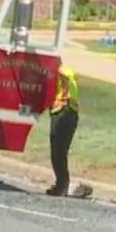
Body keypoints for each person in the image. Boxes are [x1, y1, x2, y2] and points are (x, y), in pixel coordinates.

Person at [47, 64, 91, 198]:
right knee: (62, 151)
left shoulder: (53, 72)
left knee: (57, 152)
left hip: (61, 111)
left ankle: (62, 185)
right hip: (72, 113)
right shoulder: (68, 71)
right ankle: (62, 183)